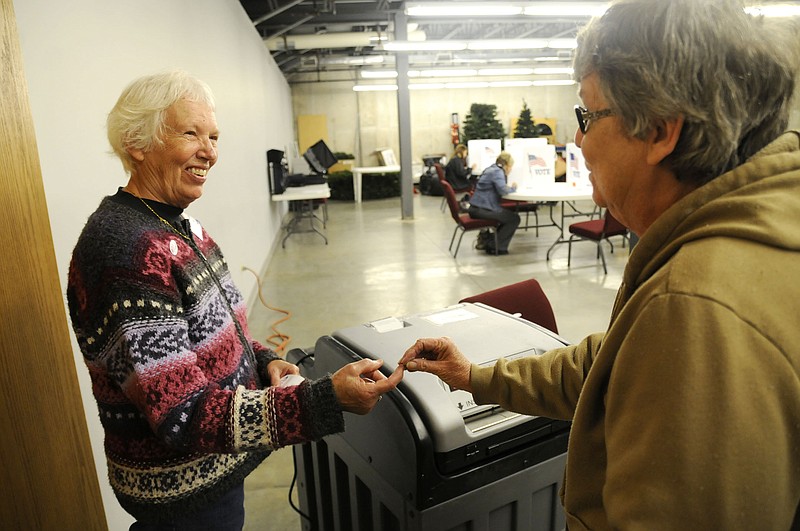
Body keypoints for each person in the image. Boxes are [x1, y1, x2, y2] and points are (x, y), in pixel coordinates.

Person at [399, 0, 800, 528]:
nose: (580, 141)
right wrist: (474, 377)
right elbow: (616, 366)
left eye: (587, 114)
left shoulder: (693, 310)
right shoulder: (762, 230)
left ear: (659, 129)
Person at [66, 70, 403, 530]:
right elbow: (181, 413)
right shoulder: (123, 247)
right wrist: (323, 401)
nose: (209, 151)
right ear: (136, 143)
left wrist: (262, 361)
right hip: (182, 494)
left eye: (214, 137)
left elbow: (211, 333)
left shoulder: (179, 226)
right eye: (190, 133)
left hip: (216, 470)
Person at [468, 152, 520, 255]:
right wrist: (513, 188)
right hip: (482, 209)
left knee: (508, 216)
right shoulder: (497, 172)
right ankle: (496, 246)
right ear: (507, 165)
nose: (511, 169)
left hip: (477, 207)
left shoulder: (491, 169)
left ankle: (492, 242)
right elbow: (502, 190)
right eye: (510, 167)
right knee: (514, 219)